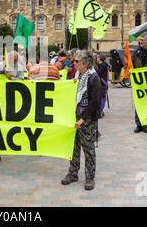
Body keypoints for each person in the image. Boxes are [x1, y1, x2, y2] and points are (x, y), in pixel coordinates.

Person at [61, 50, 101, 191]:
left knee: (88, 148)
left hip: (87, 119)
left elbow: (94, 102)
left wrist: (83, 119)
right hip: (75, 117)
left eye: (77, 61)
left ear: (85, 63)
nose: (74, 63)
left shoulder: (93, 78)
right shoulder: (78, 75)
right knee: (74, 148)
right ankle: (73, 173)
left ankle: (90, 177)